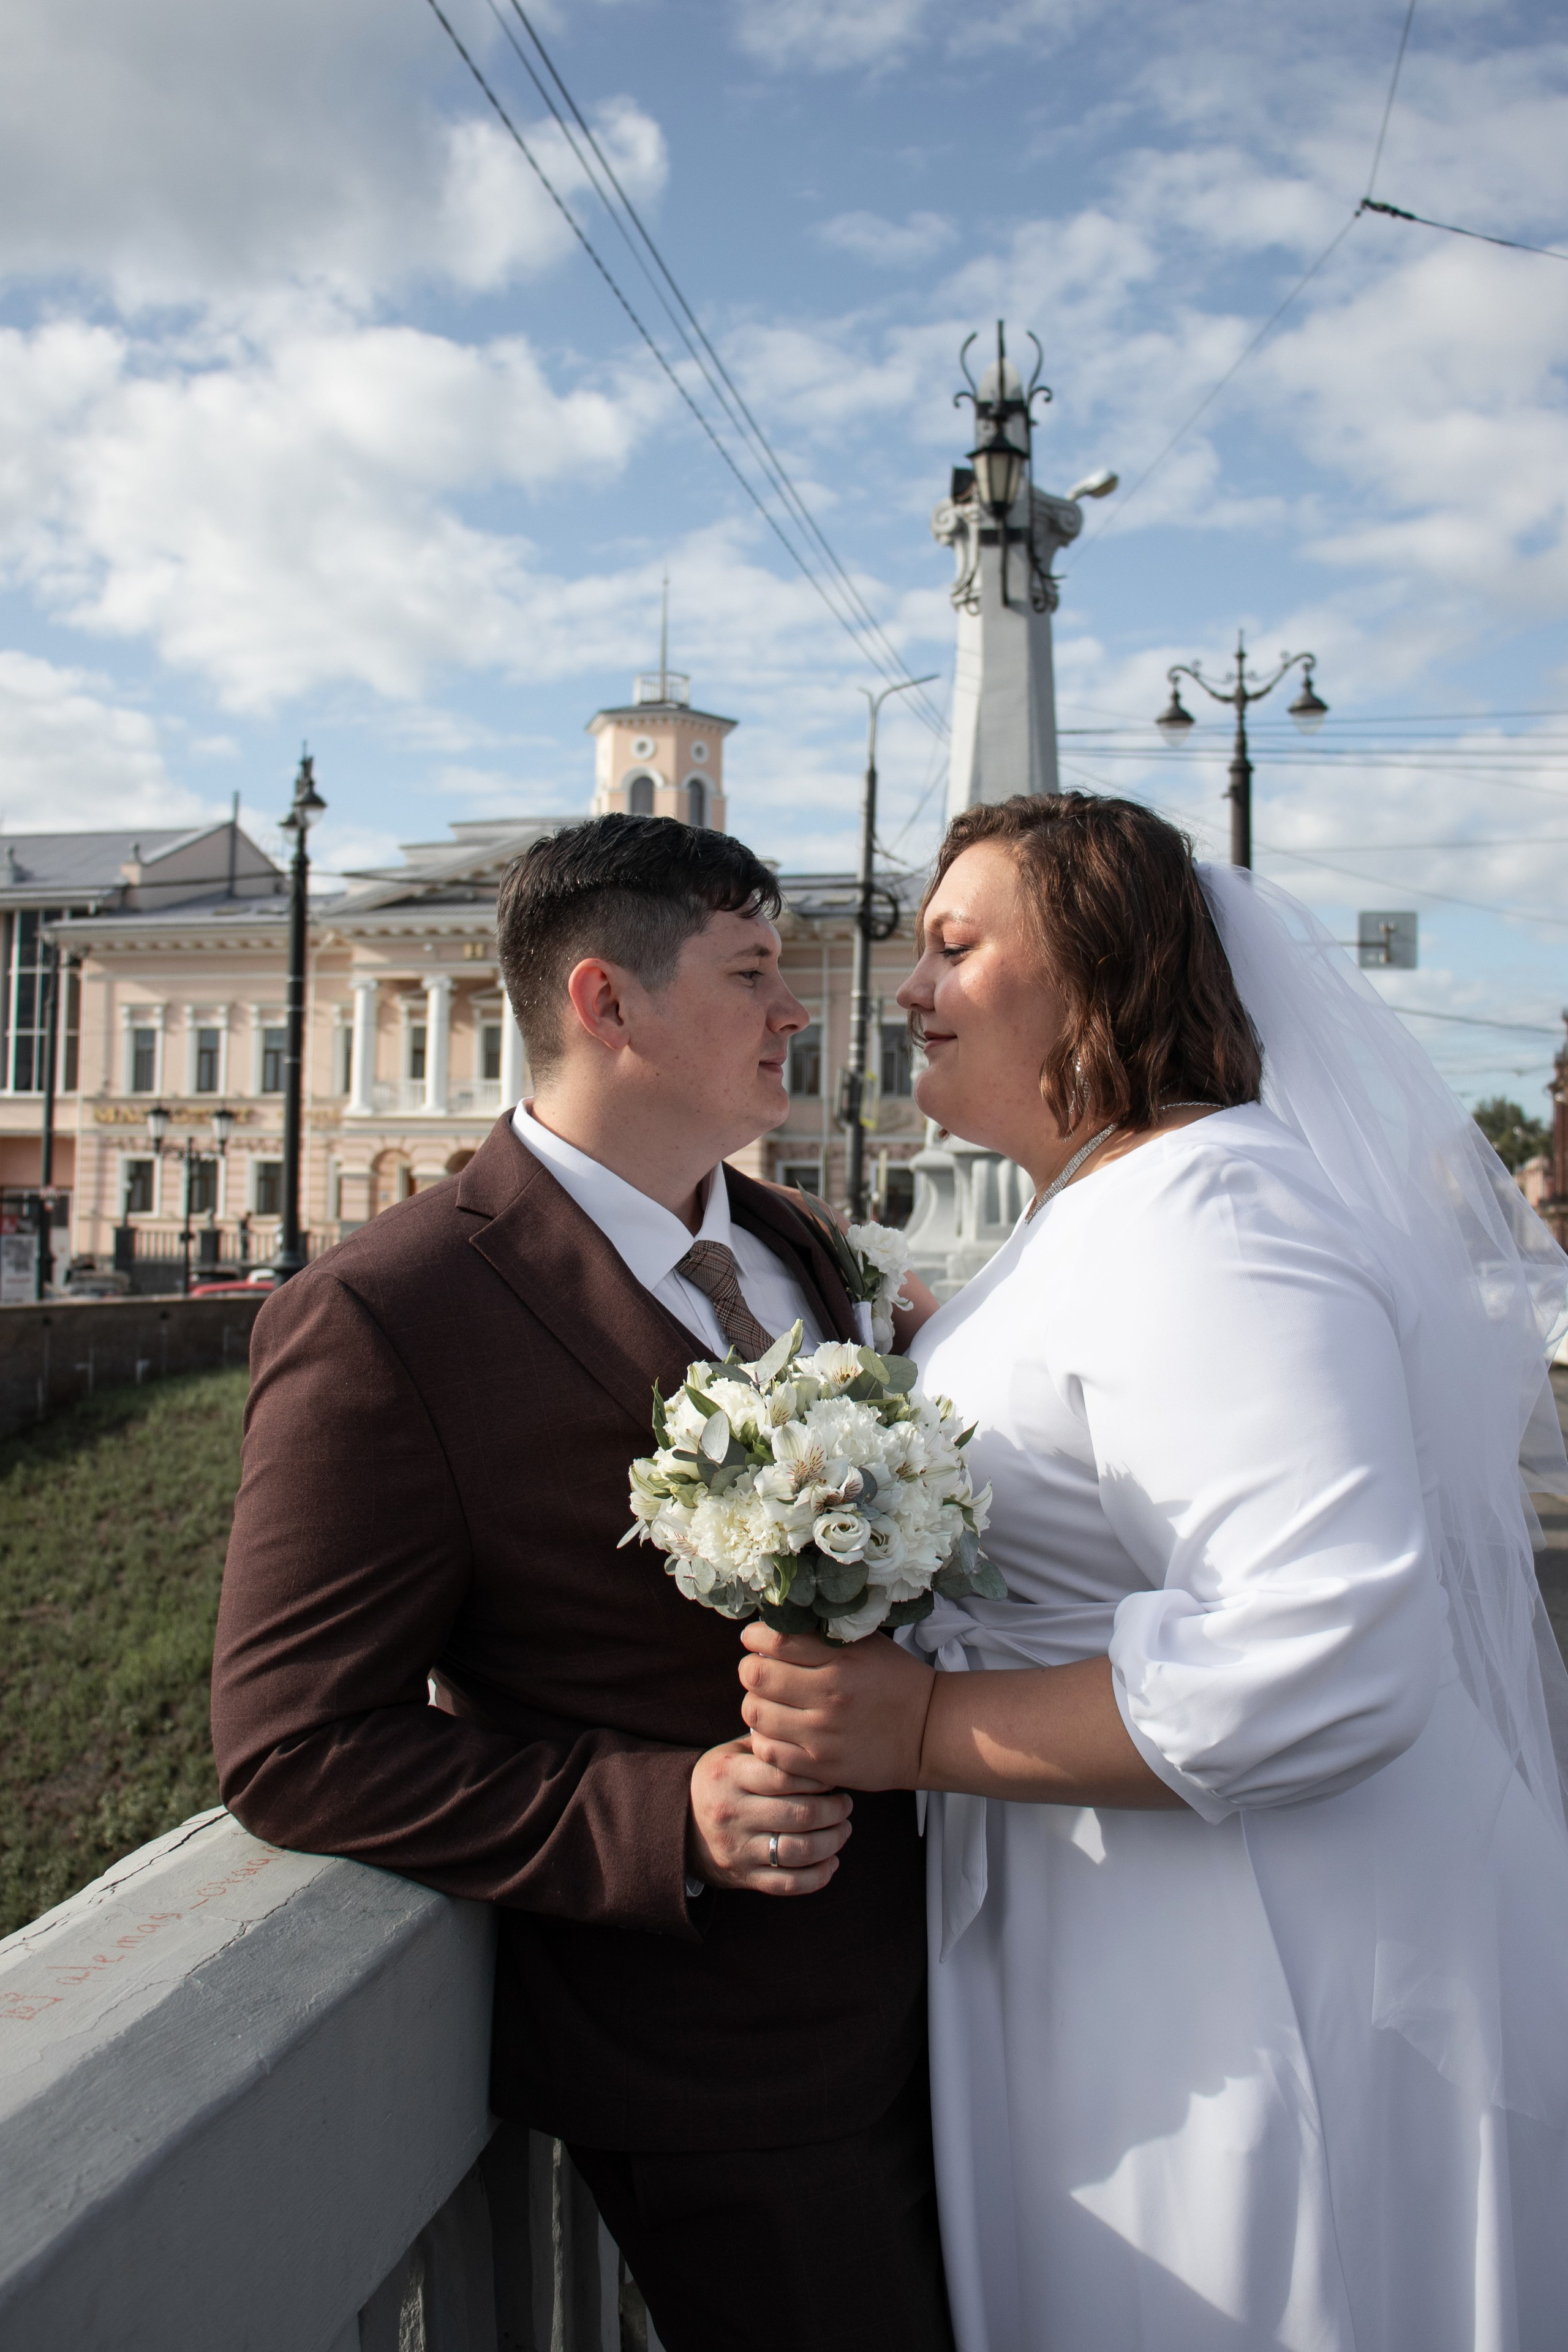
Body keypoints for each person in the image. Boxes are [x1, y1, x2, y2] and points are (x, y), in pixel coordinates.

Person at [737, 793, 1568, 2352]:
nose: (907, 989)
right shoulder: (1114, 1199)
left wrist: (914, 1731)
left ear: (1098, 971)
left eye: (953, 947)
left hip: (1247, 1952)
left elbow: (1322, 1649)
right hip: (1137, 1908)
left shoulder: (1214, 1217)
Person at [211, 813, 954, 2352]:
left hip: (944, 2001)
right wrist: (658, 1813)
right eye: (752, 973)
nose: (794, 1008)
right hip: (722, 2074)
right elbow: (292, 1742)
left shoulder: (792, 1245)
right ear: (607, 1004)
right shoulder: (389, 1312)